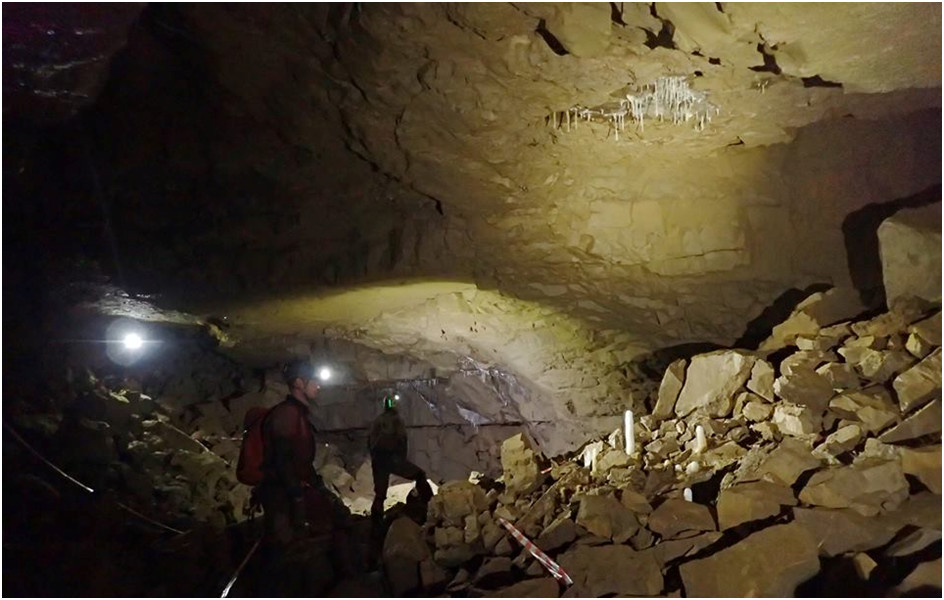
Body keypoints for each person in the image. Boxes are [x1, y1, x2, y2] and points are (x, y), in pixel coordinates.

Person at [368, 393, 433, 530]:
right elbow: (402, 440)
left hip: (379, 460)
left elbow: (370, 442)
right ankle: (430, 505)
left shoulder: (377, 421)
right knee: (419, 475)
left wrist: (375, 458)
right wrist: (401, 459)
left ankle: (375, 523)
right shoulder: (396, 420)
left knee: (380, 494)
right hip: (393, 459)